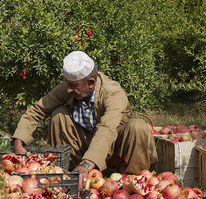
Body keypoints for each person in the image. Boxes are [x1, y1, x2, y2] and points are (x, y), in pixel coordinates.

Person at [11, 51, 158, 187]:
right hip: (83, 145)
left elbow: (107, 130)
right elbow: (38, 109)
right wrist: (18, 142)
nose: (68, 89)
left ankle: (132, 184)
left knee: (137, 127)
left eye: (73, 85)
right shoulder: (69, 88)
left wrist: (87, 164)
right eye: (67, 83)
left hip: (113, 148)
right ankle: (65, 176)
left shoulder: (113, 93)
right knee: (58, 115)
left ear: (91, 83)